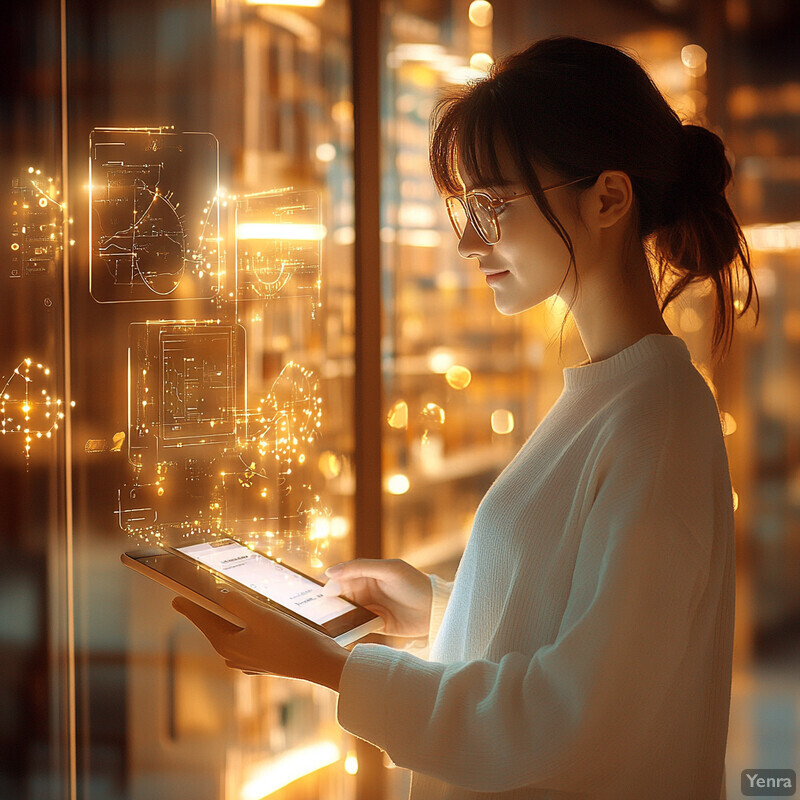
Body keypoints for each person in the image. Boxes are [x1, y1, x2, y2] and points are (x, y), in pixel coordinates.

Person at [173, 35, 759, 799]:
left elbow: (574, 716)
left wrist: (331, 665)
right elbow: (595, 644)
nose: (465, 239)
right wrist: (442, 607)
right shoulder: (618, 400)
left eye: (491, 204)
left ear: (608, 197)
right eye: (464, 206)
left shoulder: (656, 419)